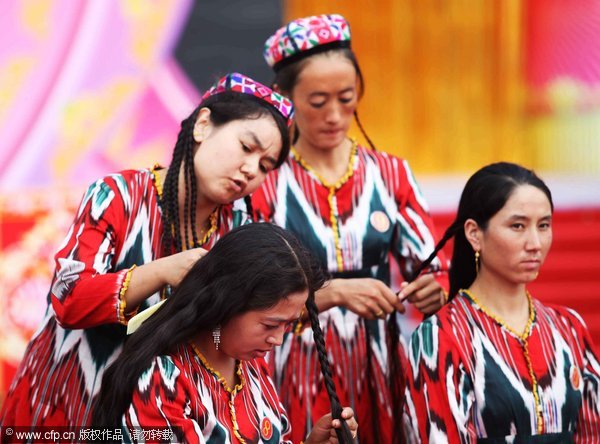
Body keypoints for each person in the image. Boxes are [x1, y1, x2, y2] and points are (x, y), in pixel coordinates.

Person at [0, 73, 294, 430]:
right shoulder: (117, 195)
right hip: (69, 407)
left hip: (163, 419)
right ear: (203, 125)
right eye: (247, 147)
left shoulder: (239, 228)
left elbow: (220, 333)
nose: (251, 170)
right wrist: (161, 271)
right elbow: (70, 300)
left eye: (265, 166)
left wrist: (220, 336)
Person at [252, 14, 448, 443]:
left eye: (346, 97)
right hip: (290, 365)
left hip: (380, 364)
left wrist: (436, 286)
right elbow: (245, 296)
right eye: (318, 102)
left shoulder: (391, 174)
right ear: (284, 97)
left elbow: (433, 266)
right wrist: (333, 294)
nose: (335, 116)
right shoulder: (265, 182)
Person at [93, 223, 358, 443]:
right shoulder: (163, 381)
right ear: (225, 306)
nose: (277, 340)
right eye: (269, 325)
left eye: (287, 325)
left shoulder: (250, 363)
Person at [403, 162, 600, 442]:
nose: (535, 242)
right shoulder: (442, 336)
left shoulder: (568, 327)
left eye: (543, 225)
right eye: (517, 226)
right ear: (474, 234)